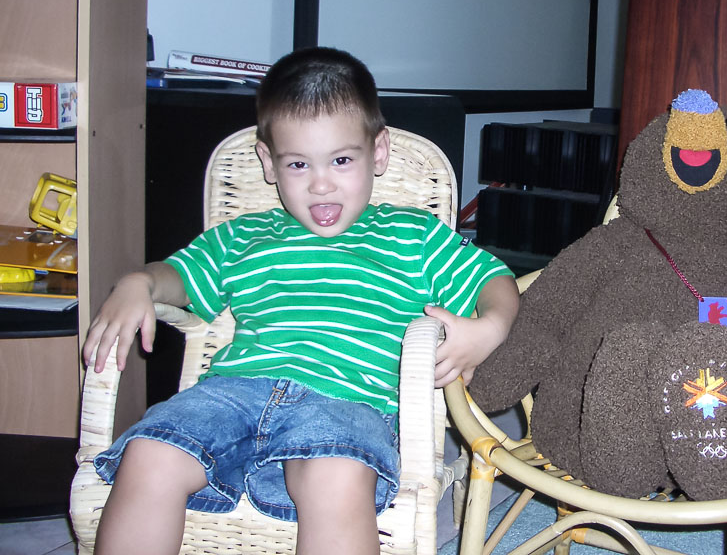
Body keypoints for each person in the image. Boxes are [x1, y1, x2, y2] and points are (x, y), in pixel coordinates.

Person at [82, 46, 519, 555]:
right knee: (150, 455)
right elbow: (177, 277)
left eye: (341, 160)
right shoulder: (243, 235)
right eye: (297, 164)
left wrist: (490, 328)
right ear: (269, 163)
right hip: (231, 393)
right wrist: (139, 282)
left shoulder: (413, 236)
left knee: (337, 477)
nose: (320, 184)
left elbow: (496, 280)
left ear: (378, 152)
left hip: (348, 401)